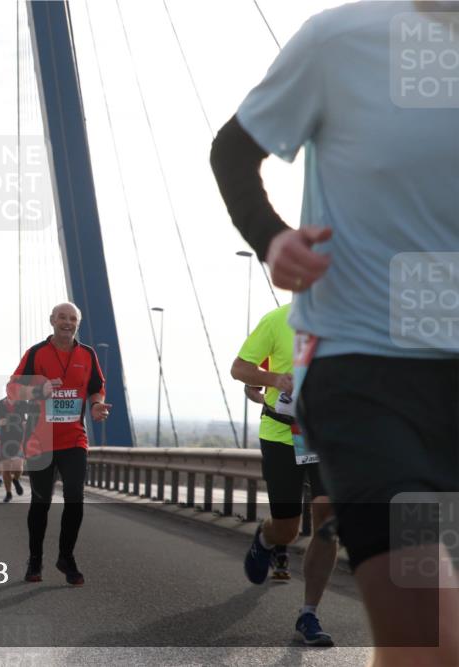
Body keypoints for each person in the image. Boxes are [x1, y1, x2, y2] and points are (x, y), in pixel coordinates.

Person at [210, 4, 459, 663]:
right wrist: (272, 239)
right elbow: (233, 148)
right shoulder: (341, 39)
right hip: (370, 374)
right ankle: (306, 604)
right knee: (431, 638)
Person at [231, 303, 338, 645]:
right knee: (287, 529)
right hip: (282, 433)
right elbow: (239, 368)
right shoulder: (278, 320)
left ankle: (308, 613)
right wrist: (273, 379)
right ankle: (266, 538)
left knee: (327, 520)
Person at [7, 303, 108, 586]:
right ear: (51, 320)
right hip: (41, 439)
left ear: (78, 323)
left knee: (75, 497)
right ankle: (35, 560)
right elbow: (13, 388)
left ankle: (66, 556)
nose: (67, 322)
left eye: (72, 318)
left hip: (74, 438)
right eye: (62, 317)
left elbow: (96, 388)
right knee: (41, 502)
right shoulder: (36, 353)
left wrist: (97, 406)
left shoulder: (87, 354)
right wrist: (37, 389)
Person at [0, 395, 28, 502]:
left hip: (19, 438)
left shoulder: (22, 401)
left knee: (19, 466)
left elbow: (29, 416)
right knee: (6, 467)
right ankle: (8, 493)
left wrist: (26, 423)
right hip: (5, 439)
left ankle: (16, 480)